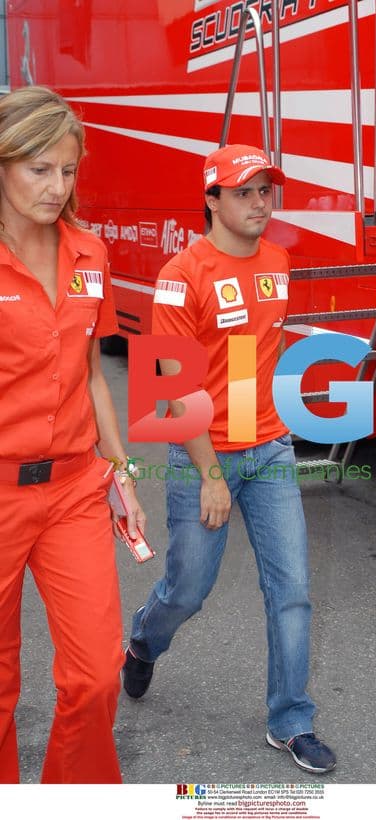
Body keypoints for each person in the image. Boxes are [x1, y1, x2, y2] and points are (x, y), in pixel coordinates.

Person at [123, 144, 336, 774]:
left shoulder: (278, 261)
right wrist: (213, 471)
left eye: (266, 190)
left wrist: (258, 437)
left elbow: (250, 358)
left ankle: (291, 719)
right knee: (190, 588)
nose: (259, 202)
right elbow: (168, 389)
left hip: (267, 447)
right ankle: (142, 641)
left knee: (292, 589)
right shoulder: (179, 273)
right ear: (211, 199)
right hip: (199, 456)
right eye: (244, 191)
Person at [0, 85, 145, 784]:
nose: (57, 187)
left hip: (73, 492)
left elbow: (93, 375)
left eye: (67, 170)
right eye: (38, 169)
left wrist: (121, 471)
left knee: (95, 677)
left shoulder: (89, 252)